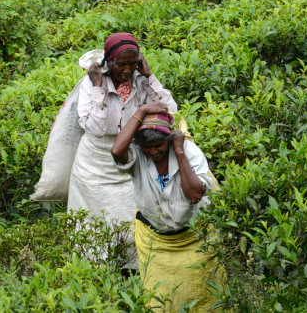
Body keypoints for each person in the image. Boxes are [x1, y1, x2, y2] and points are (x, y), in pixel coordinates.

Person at [67, 32, 178, 268]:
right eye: (121, 64)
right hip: (94, 165)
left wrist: (150, 77)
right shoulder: (92, 83)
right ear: (109, 62)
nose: (127, 71)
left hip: (130, 159)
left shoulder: (139, 80)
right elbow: (95, 127)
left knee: (130, 218)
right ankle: (94, 274)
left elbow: (170, 112)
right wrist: (98, 87)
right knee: (93, 222)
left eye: (132, 64)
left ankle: (130, 272)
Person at [111, 102, 219, 312]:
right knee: (160, 301)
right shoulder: (138, 154)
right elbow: (116, 151)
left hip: (194, 240)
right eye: (148, 147)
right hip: (155, 242)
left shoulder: (189, 152)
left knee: (203, 298)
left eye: (159, 146)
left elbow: (195, 194)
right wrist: (140, 112)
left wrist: (179, 152)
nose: (153, 152)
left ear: (169, 141)